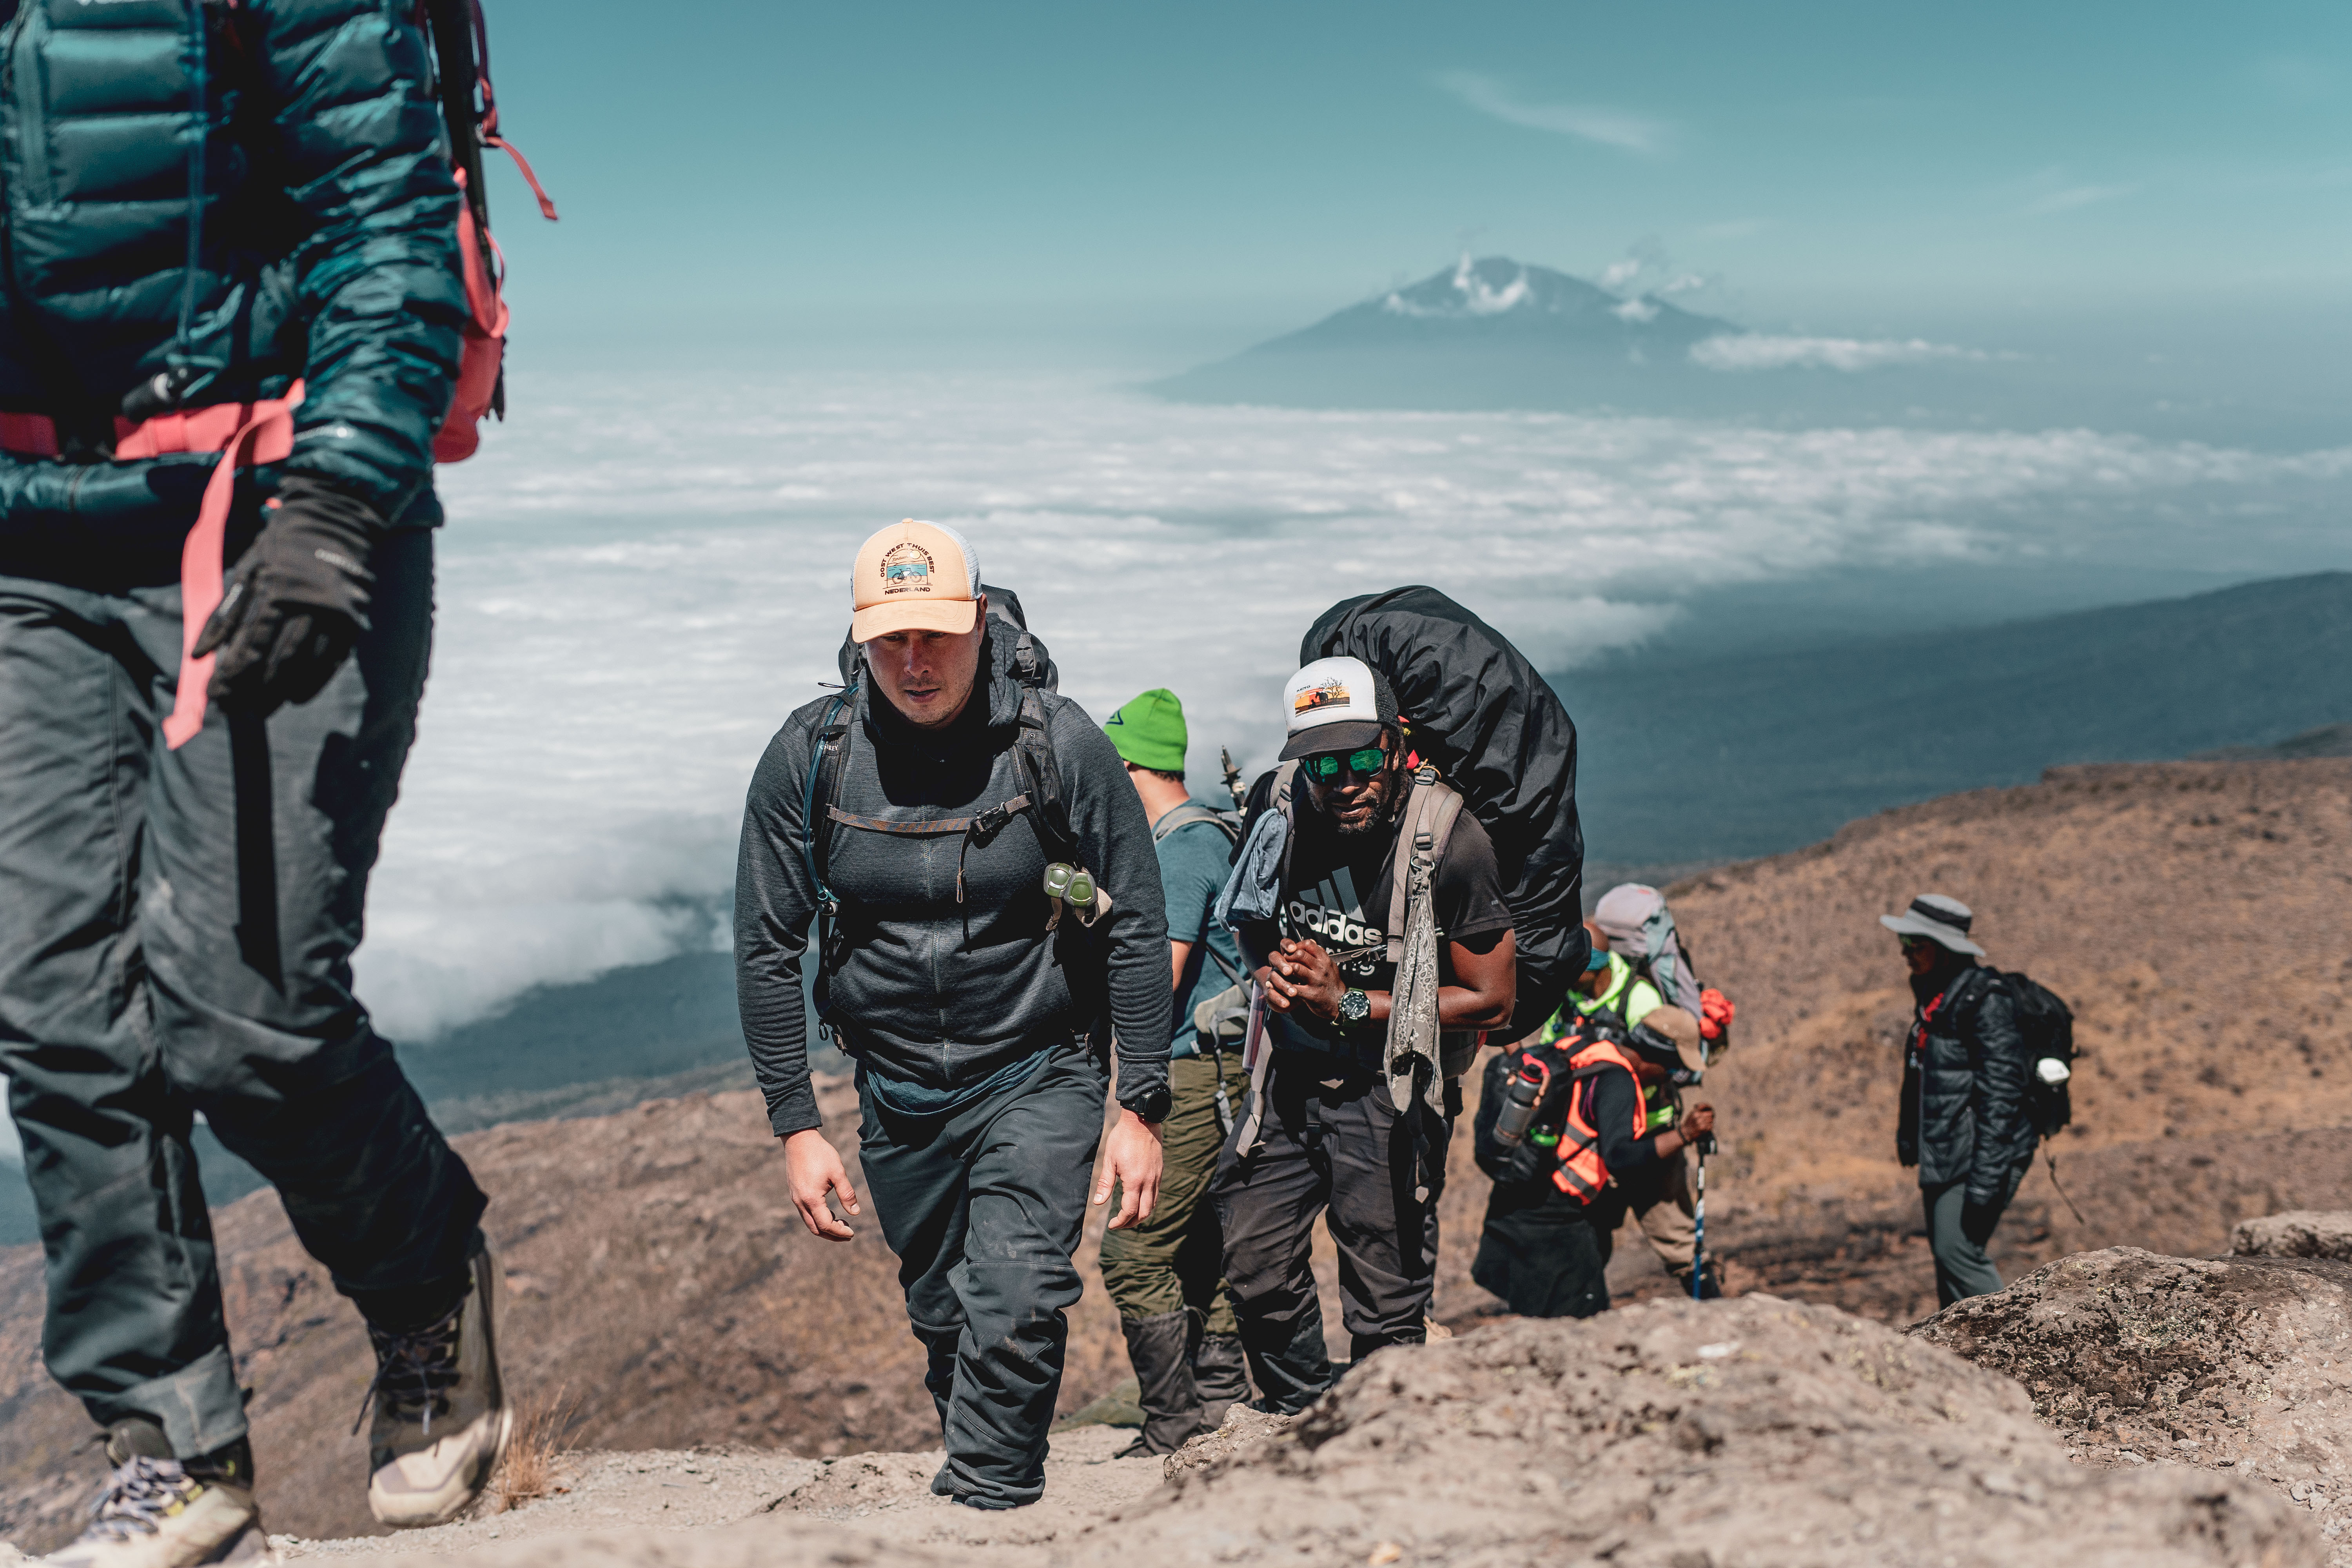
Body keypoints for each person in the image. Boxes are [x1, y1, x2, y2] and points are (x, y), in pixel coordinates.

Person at [0, 5, 512, 1559]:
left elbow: (389, 209)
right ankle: (172, 1450)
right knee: (52, 1000)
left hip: (272, 495)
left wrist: (343, 500)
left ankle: (429, 1287)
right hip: (35, 534)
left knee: (244, 1002)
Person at [735, 521, 1171, 1510]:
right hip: (896, 1092)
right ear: (859, 635)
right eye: (892, 637)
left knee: (1015, 1295)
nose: (915, 660)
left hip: (1040, 1063)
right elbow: (766, 943)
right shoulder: (812, 756)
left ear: (979, 621)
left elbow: (1138, 919)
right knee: (946, 1315)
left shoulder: (1056, 743)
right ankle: (982, 1464)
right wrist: (796, 1124)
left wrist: (1139, 1104)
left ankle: (983, 1506)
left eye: (936, 633)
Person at [1212, 656, 1516, 1410]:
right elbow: (1248, 912)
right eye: (1322, 762)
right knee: (1252, 1262)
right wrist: (1269, 972)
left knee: (1384, 1298)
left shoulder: (1449, 840)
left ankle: (1381, 1434)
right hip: (1290, 1078)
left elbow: (1493, 1000)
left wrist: (1346, 1004)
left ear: (1396, 744)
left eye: (1359, 757)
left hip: (1390, 1095)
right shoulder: (1278, 804)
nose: (1343, 780)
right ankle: (1300, 1416)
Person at [1095, 688, 1254, 1454]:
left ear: (1130, 767)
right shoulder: (1199, 840)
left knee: (1133, 1247)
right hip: (1215, 1067)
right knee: (1197, 1241)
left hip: (1195, 1072)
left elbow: (1156, 979)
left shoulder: (1186, 849)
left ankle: (1171, 1418)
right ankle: (1221, 1396)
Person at [1472, 1002, 1715, 1317]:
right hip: (1555, 1220)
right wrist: (1683, 1135)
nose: (1669, 1080)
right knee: (1582, 1323)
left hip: (1520, 1199)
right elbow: (1620, 1158)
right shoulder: (1619, 1082)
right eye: (1671, 1070)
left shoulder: (1588, 1049)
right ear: (1653, 1058)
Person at [1528, 916, 1722, 1297]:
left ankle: (1713, 1313)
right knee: (1586, 1240)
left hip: (1649, 1137)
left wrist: (1606, 1072)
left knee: (1678, 1241)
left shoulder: (1639, 998)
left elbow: (1658, 1065)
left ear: (1594, 967)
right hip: (1589, 1144)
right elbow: (1550, 1052)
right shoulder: (1565, 999)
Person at [1883, 893, 2034, 1307]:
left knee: (1958, 1252)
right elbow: (1923, 1075)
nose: (1906, 953)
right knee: (1947, 1260)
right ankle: (1962, 1354)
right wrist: (1909, 1137)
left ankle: (2014, 1346)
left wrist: (1987, 1177)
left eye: (1917, 944)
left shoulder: (1985, 1001)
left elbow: (2002, 1095)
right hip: (1946, 1149)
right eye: (1906, 943)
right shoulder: (1937, 995)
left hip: (1979, 1153)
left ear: (1944, 948)